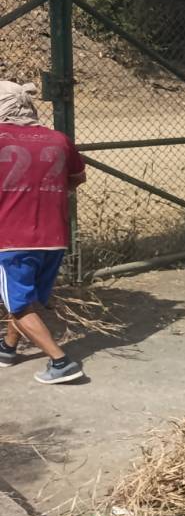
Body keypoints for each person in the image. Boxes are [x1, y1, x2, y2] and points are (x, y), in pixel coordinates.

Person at [0, 80, 87, 384]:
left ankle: (61, 362)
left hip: (10, 239)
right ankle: (7, 349)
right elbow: (77, 178)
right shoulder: (59, 139)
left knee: (19, 304)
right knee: (27, 299)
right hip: (54, 237)